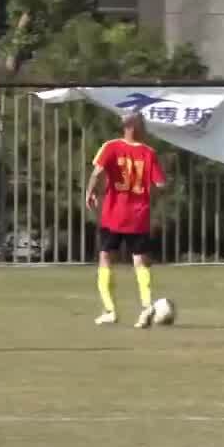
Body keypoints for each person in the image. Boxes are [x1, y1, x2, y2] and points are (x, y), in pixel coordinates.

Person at [85, 113, 167, 329]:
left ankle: (110, 310)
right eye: (142, 125)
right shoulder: (149, 153)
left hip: (114, 214)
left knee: (105, 258)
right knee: (140, 261)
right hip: (138, 216)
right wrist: (148, 200)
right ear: (133, 127)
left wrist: (90, 193)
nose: (145, 128)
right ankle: (147, 306)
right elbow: (160, 185)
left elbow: (97, 172)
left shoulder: (111, 147)